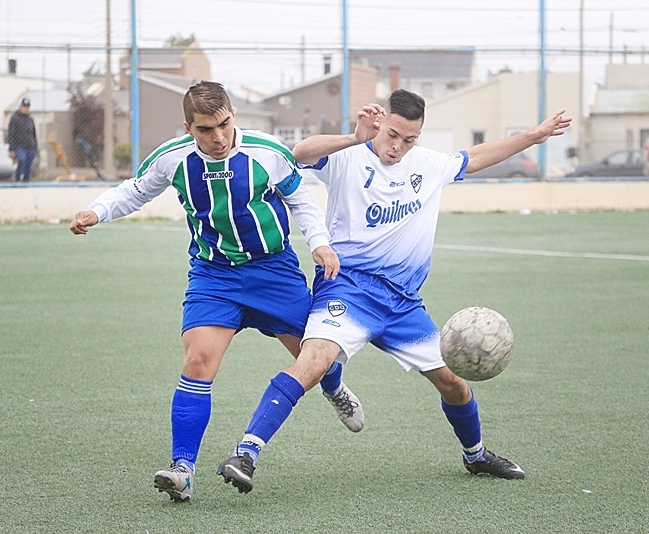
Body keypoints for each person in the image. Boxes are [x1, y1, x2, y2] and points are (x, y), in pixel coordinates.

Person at [217, 89, 571, 493]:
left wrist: (534, 135)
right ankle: (246, 453)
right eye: (392, 135)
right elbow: (297, 154)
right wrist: (354, 136)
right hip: (348, 289)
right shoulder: (349, 155)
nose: (398, 147)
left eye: (409, 139)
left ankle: (475, 455)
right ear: (380, 122)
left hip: (403, 304)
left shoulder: (428, 165)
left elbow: (474, 158)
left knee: (453, 382)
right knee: (313, 360)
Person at [69, 81, 363, 503]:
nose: (218, 137)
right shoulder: (173, 158)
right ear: (189, 127)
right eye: (206, 129)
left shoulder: (266, 152)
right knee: (197, 359)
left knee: (314, 358)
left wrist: (318, 241)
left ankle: (334, 388)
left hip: (273, 272)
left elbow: (301, 200)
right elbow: (134, 191)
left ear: (233, 116)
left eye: (224, 124)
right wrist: (95, 211)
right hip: (214, 276)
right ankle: (182, 469)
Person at [7, 97, 37, 182]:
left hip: (30, 146)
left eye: (27, 107)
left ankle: (26, 179)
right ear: (20, 106)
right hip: (20, 146)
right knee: (22, 159)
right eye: (24, 106)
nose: (25, 108)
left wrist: (35, 147)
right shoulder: (15, 118)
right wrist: (12, 148)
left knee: (29, 163)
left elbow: (34, 134)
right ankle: (17, 178)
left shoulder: (30, 119)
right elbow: (11, 134)